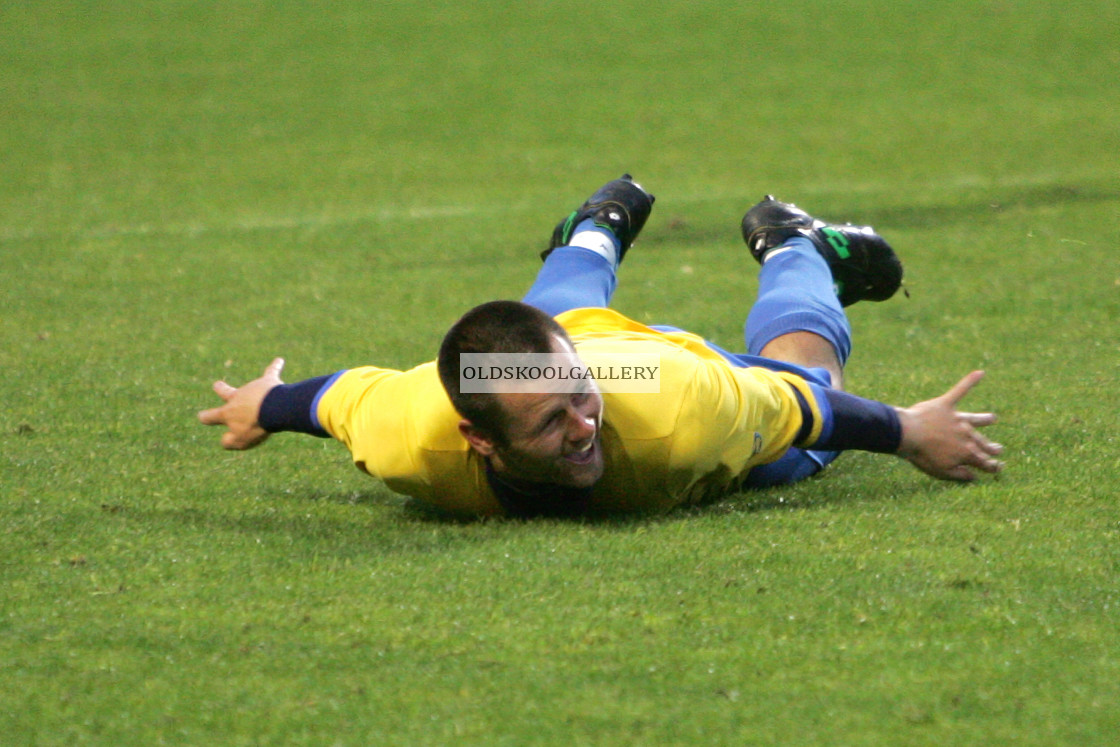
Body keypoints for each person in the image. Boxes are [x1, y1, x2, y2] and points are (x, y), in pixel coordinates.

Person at [198, 175, 1003, 518]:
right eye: (552, 425)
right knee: (555, 312)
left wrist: (904, 429)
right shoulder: (411, 432)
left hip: (655, 374)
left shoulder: (681, 414)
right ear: (477, 437)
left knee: (809, 369)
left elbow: (804, 404)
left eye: (578, 405)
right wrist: (260, 404)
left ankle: (796, 246)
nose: (583, 427)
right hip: (572, 355)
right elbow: (334, 398)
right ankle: (598, 224)